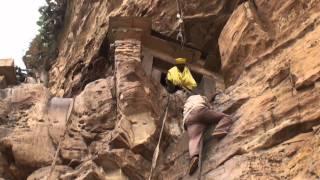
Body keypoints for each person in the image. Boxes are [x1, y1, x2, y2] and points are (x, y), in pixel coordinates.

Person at [183, 94, 233, 175]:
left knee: (194, 138)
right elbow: (208, 107)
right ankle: (220, 129)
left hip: (188, 120)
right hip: (198, 110)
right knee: (225, 117)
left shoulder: (186, 104)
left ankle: (194, 157)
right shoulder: (201, 97)